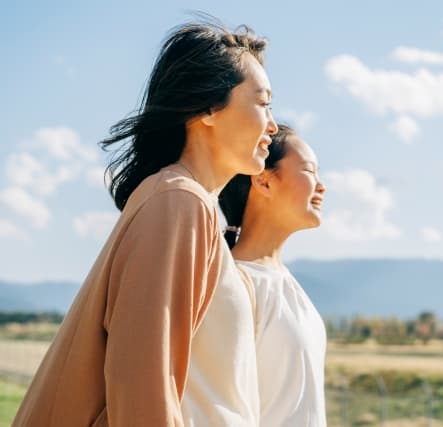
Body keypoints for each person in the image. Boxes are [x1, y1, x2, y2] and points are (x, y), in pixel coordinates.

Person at [12, 20, 277, 427]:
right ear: (207, 108)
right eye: (263, 103)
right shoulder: (178, 201)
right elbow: (141, 379)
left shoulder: (191, 204)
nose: (273, 126)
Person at [215, 124, 327, 426]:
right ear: (263, 181)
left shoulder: (285, 282)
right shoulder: (232, 284)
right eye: (309, 171)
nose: (321, 185)